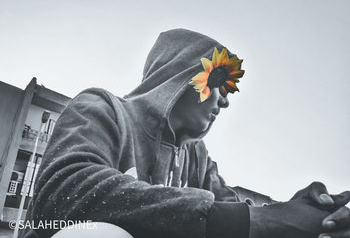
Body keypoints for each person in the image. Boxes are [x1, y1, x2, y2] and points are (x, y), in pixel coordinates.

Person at [22, 29, 350, 238]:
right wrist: (259, 223)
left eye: (230, 92)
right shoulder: (103, 108)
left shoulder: (198, 158)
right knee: (95, 236)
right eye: (220, 83)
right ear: (181, 75)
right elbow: (62, 194)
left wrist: (308, 216)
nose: (224, 101)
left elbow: (235, 215)